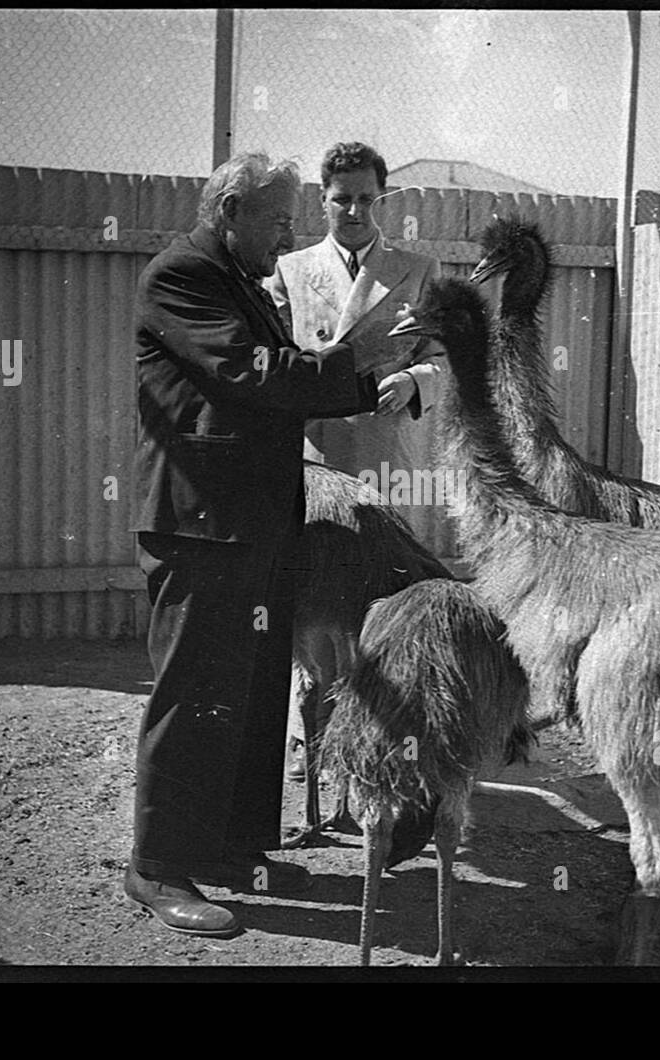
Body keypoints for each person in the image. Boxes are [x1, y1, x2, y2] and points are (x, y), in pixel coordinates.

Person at [126, 151, 377, 935]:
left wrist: (353, 374)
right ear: (229, 210)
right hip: (199, 525)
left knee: (251, 691)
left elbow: (278, 374)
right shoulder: (182, 277)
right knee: (191, 691)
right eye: (276, 220)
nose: (289, 235)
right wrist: (359, 370)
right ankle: (157, 868)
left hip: (254, 522)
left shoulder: (241, 280)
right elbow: (256, 372)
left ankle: (226, 845)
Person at [265, 142, 444, 779]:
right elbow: (274, 359)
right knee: (313, 584)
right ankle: (304, 730)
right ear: (323, 199)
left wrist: (419, 378)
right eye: (341, 199)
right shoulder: (290, 269)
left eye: (366, 199)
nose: (354, 211)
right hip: (316, 452)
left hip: (388, 450)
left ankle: (383, 732)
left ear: (383, 200)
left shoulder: (417, 270)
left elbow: (448, 354)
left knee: (382, 589)